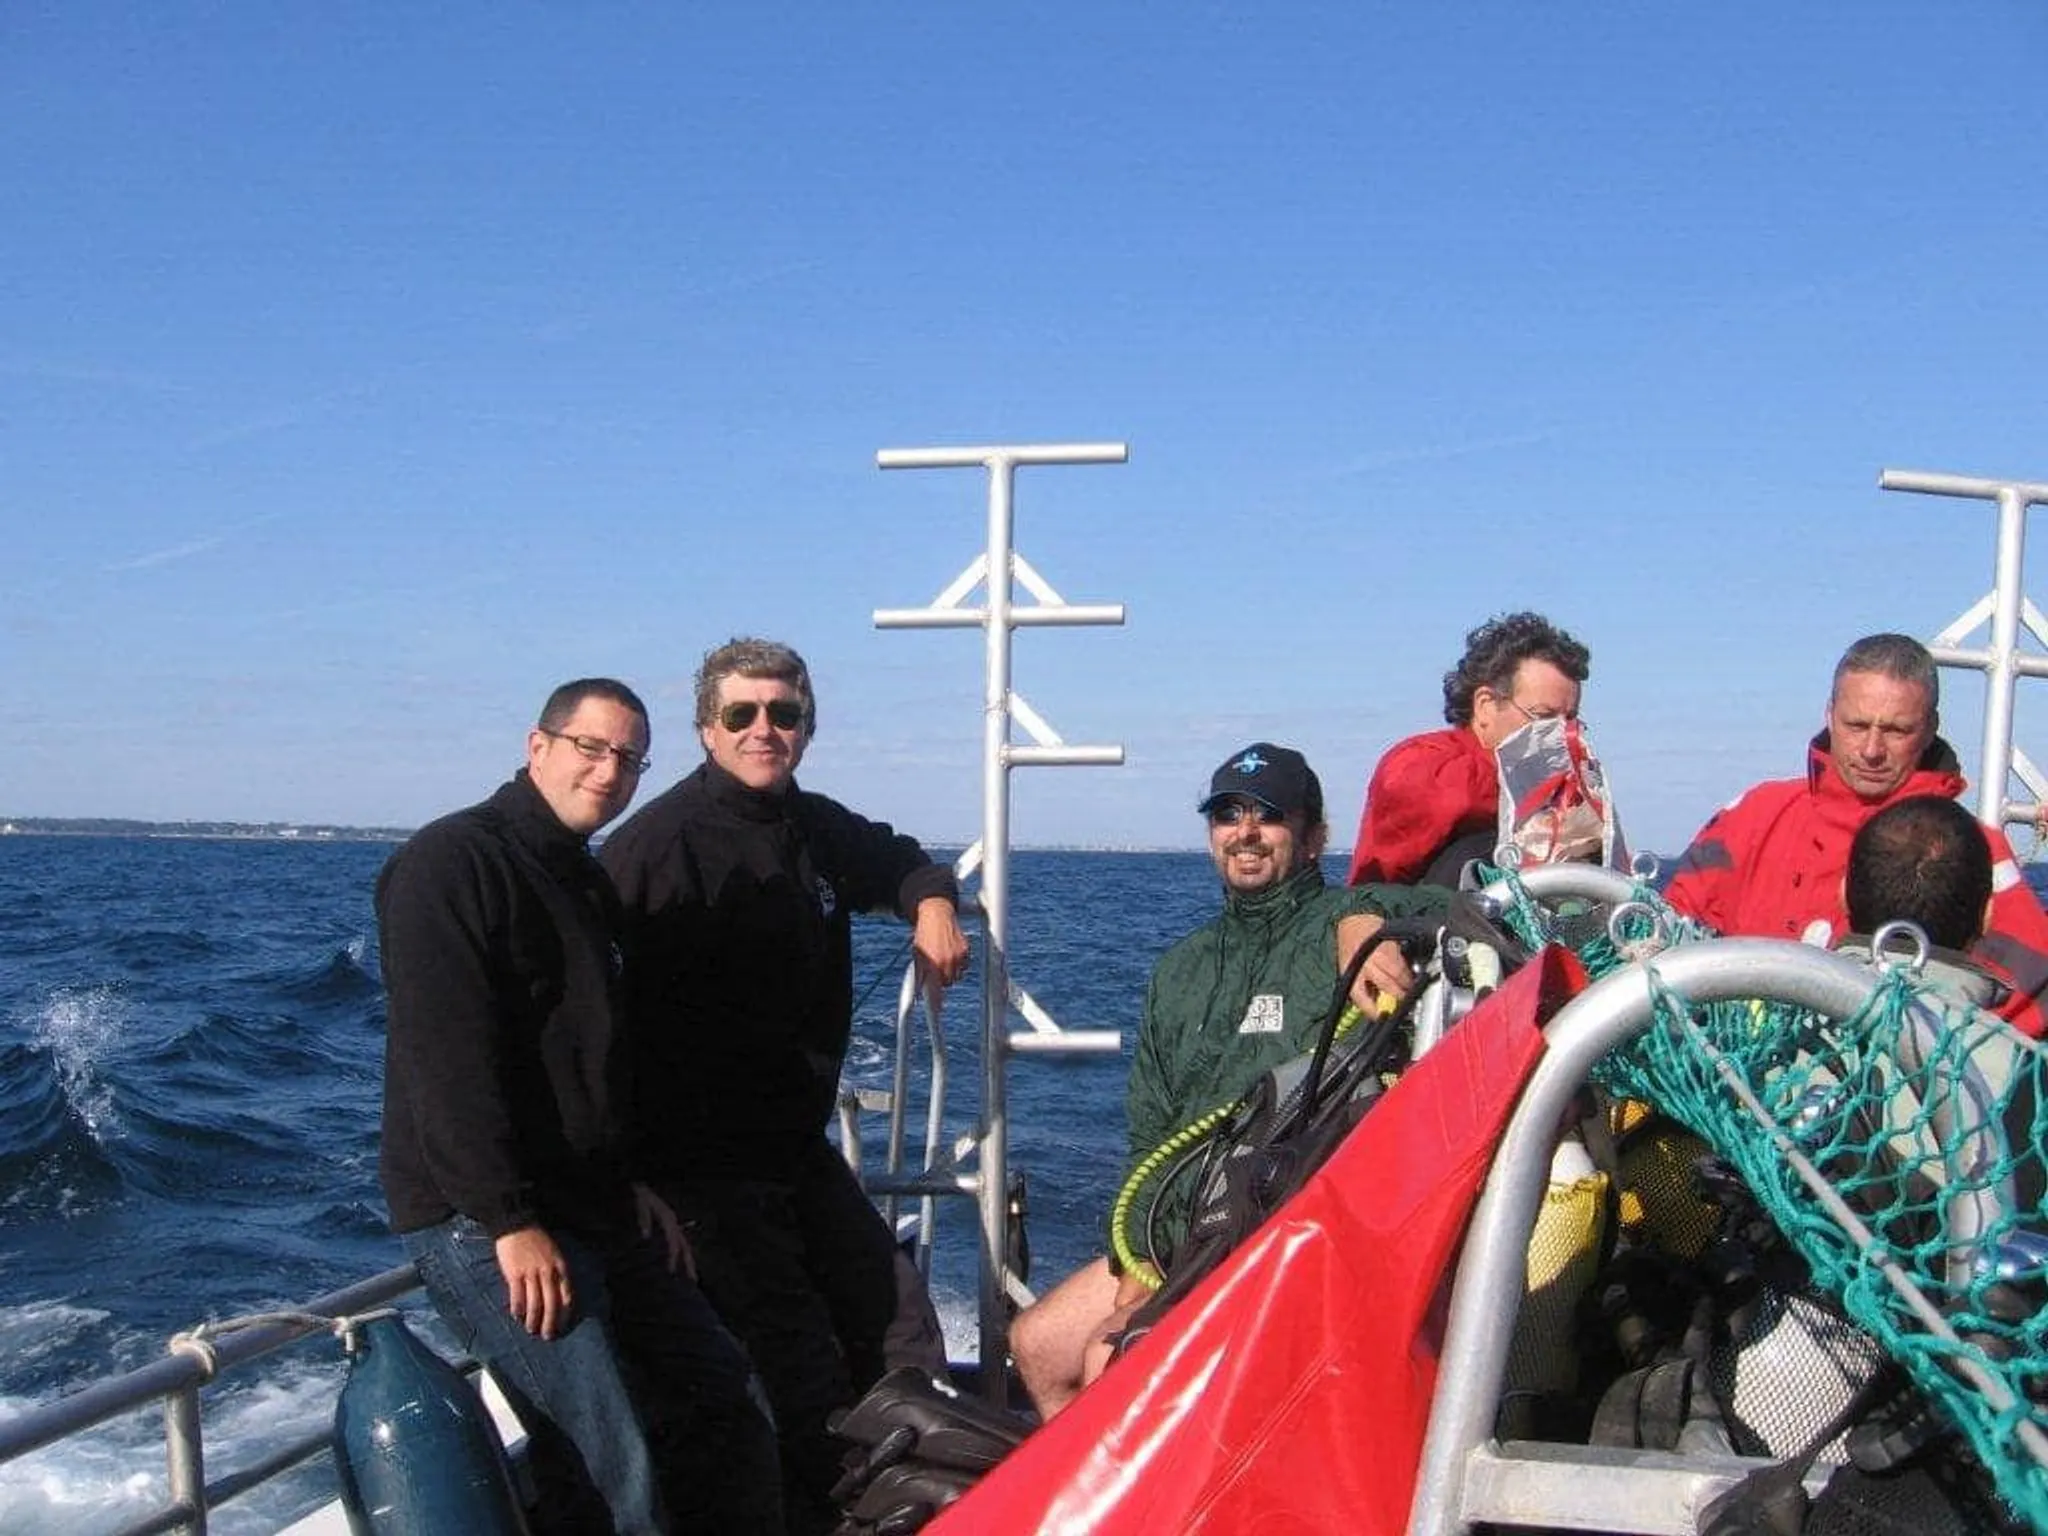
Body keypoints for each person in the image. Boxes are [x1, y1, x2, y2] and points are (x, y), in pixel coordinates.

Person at [377, 678, 782, 1535]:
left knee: (725, 1394)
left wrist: (633, 1182)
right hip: (487, 1222)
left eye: (629, 759)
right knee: (611, 1461)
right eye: (590, 749)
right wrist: (507, 1218)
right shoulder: (450, 864)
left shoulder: (585, 884)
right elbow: (446, 1062)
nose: (608, 772)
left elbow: (599, 1059)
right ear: (538, 747)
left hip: (596, 1206)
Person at [600, 638, 970, 1536]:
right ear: (706, 729)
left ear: (806, 725)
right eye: (742, 714)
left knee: (901, 1324)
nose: (765, 730)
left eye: (784, 714)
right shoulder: (653, 852)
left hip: (792, 1151)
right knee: (798, 1367)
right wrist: (627, 1181)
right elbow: (592, 1033)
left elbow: (897, 857)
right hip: (697, 1170)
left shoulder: (808, 824)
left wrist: (931, 902)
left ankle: (925, 1506)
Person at [1009, 742, 1447, 1420]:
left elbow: (1456, 904)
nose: (1244, 833)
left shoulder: (1343, 929)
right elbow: (1150, 1127)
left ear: (1313, 839)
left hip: (1271, 1231)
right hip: (1175, 1231)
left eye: (1268, 816)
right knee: (1036, 1344)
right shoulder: (1178, 970)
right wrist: (1134, 1260)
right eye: (1226, 815)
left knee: (1111, 1357)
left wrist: (1364, 912)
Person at [1664, 632, 2048, 1038]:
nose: (1871, 749)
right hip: (1725, 1080)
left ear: (1930, 727)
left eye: (1897, 730)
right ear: (1830, 714)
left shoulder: (1971, 851)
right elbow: (1666, 941)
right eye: (1856, 724)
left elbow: (2028, 1009)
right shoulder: (1755, 815)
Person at [1346, 611, 1592, 886]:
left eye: (1569, 720)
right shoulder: (1425, 765)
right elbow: (1380, 883)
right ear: (1485, 705)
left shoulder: (1565, 785)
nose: (1561, 733)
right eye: (1544, 716)